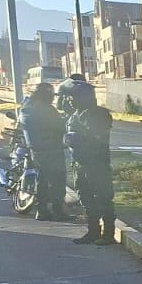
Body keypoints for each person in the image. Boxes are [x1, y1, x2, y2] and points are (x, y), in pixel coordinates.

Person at [65, 78, 116, 245]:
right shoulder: (75, 115)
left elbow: (97, 138)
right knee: (86, 198)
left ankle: (108, 234)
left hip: (96, 163)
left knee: (103, 198)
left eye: (72, 97)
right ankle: (93, 231)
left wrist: (76, 139)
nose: (69, 101)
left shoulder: (98, 114)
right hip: (80, 162)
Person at [18, 83, 69, 221]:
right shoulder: (47, 110)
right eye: (52, 95)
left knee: (42, 180)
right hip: (52, 148)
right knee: (57, 181)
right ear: (47, 95)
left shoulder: (26, 108)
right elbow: (60, 127)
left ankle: (42, 211)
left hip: (36, 149)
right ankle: (58, 211)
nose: (53, 98)